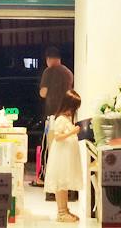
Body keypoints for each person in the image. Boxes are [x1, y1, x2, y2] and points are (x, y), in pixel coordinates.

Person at [34, 47, 73, 186]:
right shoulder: (68, 72)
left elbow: (43, 93)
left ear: (48, 59)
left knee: (48, 147)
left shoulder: (49, 71)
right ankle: (60, 179)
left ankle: (44, 178)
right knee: (61, 149)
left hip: (52, 115)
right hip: (67, 115)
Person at [44, 89, 83, 223]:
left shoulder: (66, 119)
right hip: (62, 156)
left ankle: (65, 210)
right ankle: (61, 212)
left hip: (66, 156)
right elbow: (58, 136)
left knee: (64, 183)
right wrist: (72, 132)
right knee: (61, 183)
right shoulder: (61, 119)